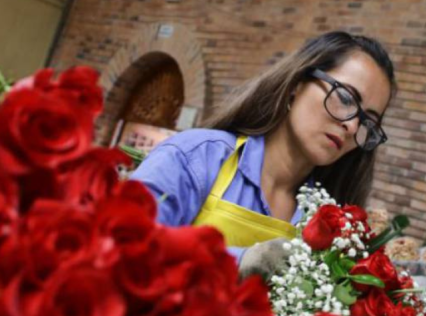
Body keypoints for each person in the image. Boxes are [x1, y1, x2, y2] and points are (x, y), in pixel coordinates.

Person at [130, 31, 395, 278]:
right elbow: (125, 245)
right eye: (347, 99)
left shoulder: (327, 220)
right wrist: (241, 261)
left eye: (368, 122)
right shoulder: (197, 156)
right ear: (297, 84)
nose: (352, 126)